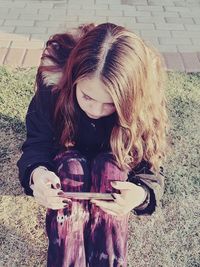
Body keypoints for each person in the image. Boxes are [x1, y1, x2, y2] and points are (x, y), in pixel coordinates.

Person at [17, 22, 170, 267]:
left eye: (110, 104)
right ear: (73, 80)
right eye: (87, 96)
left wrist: (139, 194)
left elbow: (151, 165)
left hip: (113, 157)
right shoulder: (54, 86)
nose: (95, 110)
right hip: (65, 154)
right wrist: (38, 174)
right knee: (71, 171)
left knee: (112, 176)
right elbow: (38, 141)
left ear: (128, 98)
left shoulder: (143, 104)